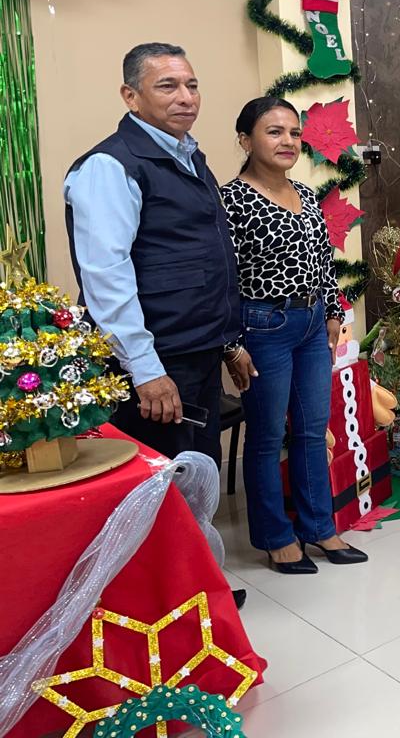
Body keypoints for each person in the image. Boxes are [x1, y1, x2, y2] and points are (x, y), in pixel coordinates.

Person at [65, 42, 254, 462]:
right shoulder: (110, 166)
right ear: (130, 96)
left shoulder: (189, 156)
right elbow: (106, 277)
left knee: (198, 474)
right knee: (161, 484)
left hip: (197, 352)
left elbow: (202, 262)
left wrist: (227, 343)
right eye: (168, 86)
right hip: (157, 361)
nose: (186, 98)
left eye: (192, 85)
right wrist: (145, 369)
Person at [221, 97, 367, 574]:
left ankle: (319, 527)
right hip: (263, 328)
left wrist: (333, 312)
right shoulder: (231, 200)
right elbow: (221, 279)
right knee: (266, 437)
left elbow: (323, 261)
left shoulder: (305, 193)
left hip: (311, 326)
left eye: (294, 132)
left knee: (310, 430)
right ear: (246, 140)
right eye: (274, 131)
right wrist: (230, 346)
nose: (287, 141)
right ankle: (275, 537)